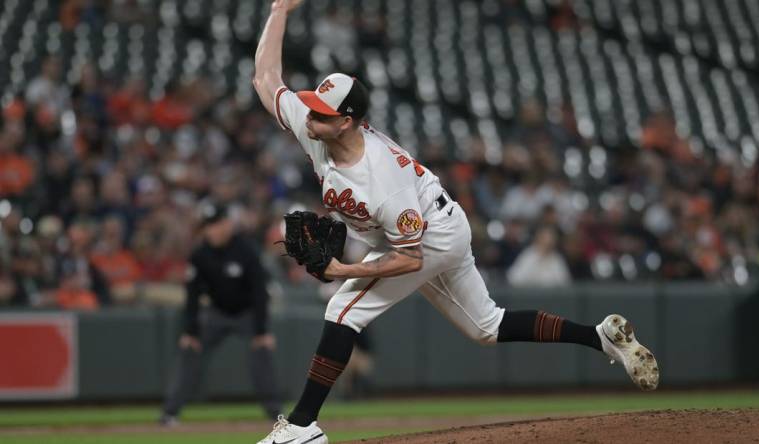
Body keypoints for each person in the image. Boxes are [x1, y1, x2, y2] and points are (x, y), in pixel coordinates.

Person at [251, 1, 659, 442]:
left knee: (342, 309)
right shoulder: (318, 130)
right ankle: (600, 337)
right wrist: (279, 10)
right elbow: (265, 79)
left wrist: (346, 270)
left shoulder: (382, 179)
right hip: (431, 223)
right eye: (309, 107)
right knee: (488, 326)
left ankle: (301, 427)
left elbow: (409, 258)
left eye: (319, 113)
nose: (307, 116)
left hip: (430, 235)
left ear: (347, 122)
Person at [160, 201, 281, 425]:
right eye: (208, 225)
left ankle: (276, 414)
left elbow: (259, 292)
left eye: (216, 223)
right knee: (190, 352)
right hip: (216, 313)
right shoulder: (200, 255)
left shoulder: (246, 250)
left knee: (261, 355)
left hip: (247, 313)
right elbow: (192, 296)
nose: (212, 229)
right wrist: (191, 331)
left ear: (227, 224)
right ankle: (170, 413)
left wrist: (262, 330)